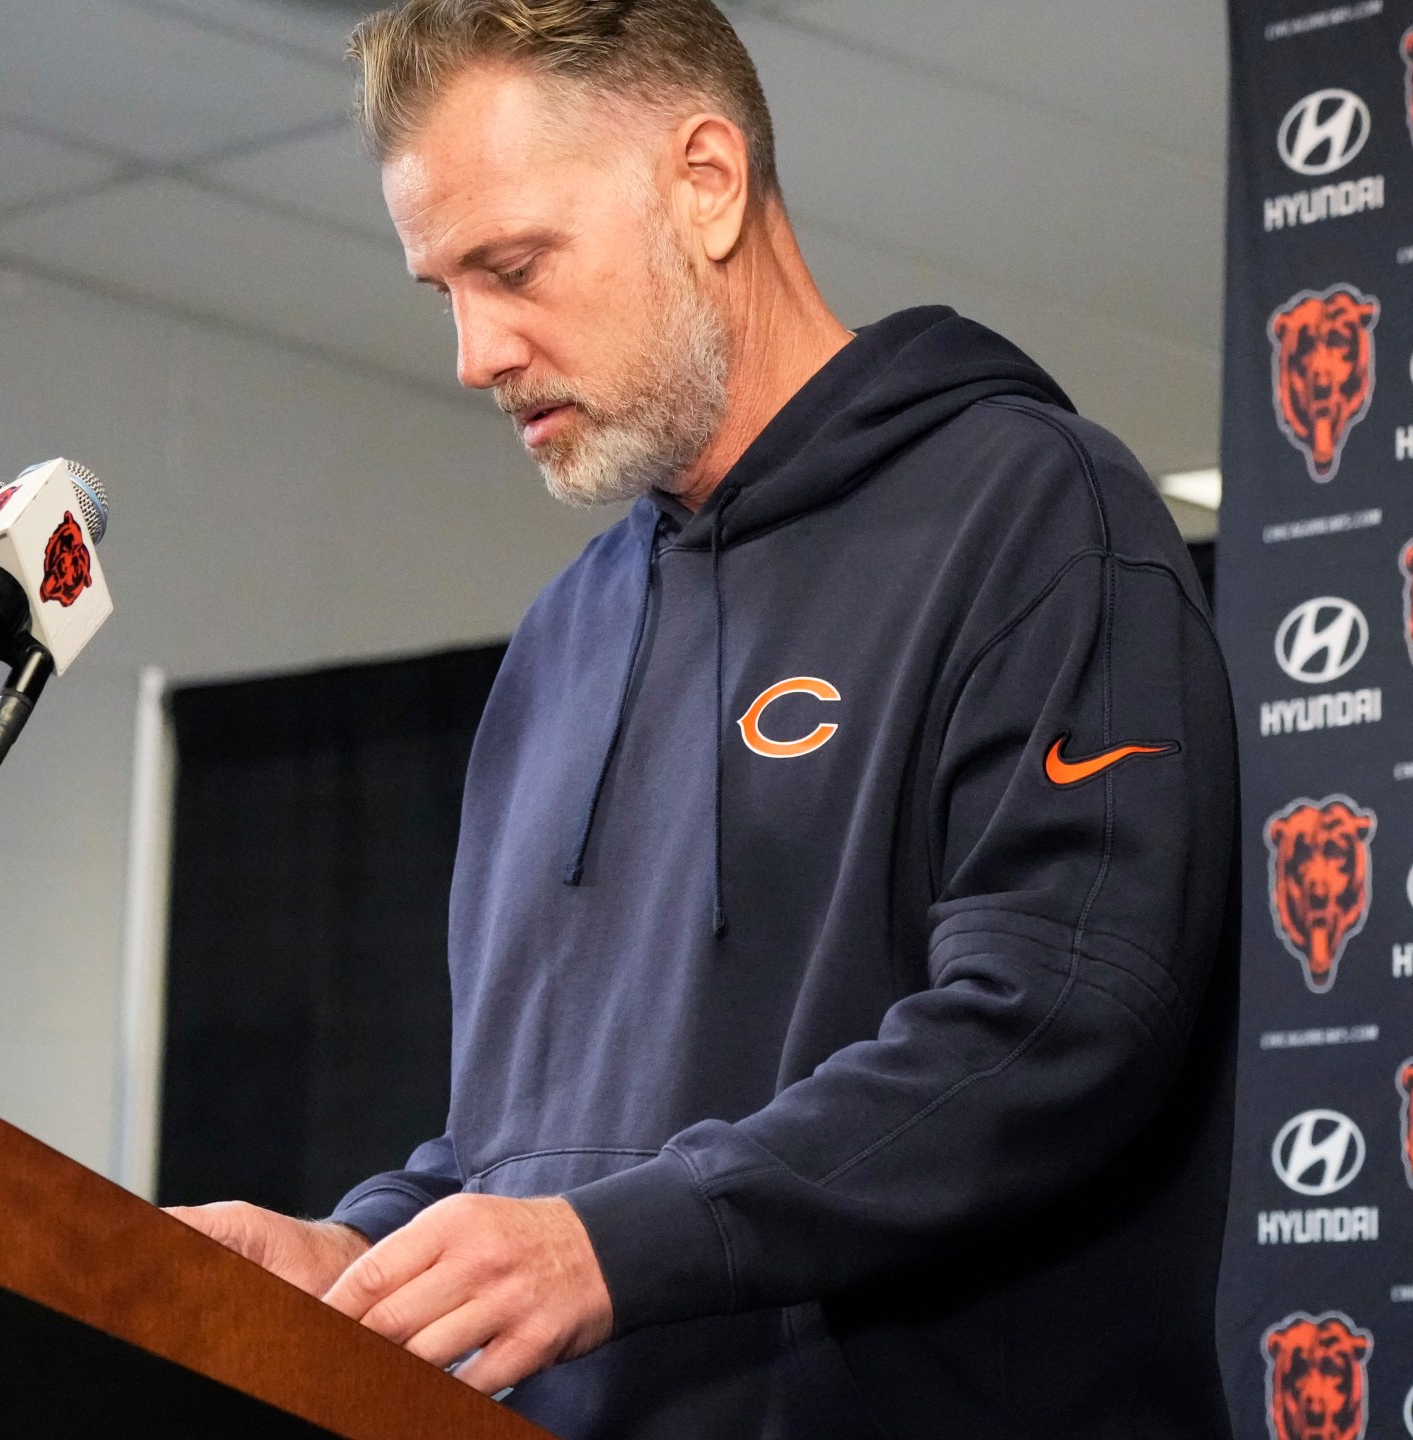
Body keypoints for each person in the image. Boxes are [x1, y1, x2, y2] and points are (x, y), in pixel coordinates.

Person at [171, 2, 1241, 1435]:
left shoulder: (1032, 512)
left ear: (708, 182)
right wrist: (363, 1256)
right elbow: (528, 1141)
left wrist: (621, 1247)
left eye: (515, 266)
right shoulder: (564, 642)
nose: (477, 352)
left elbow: (1057, 1020)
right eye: (445, 291)